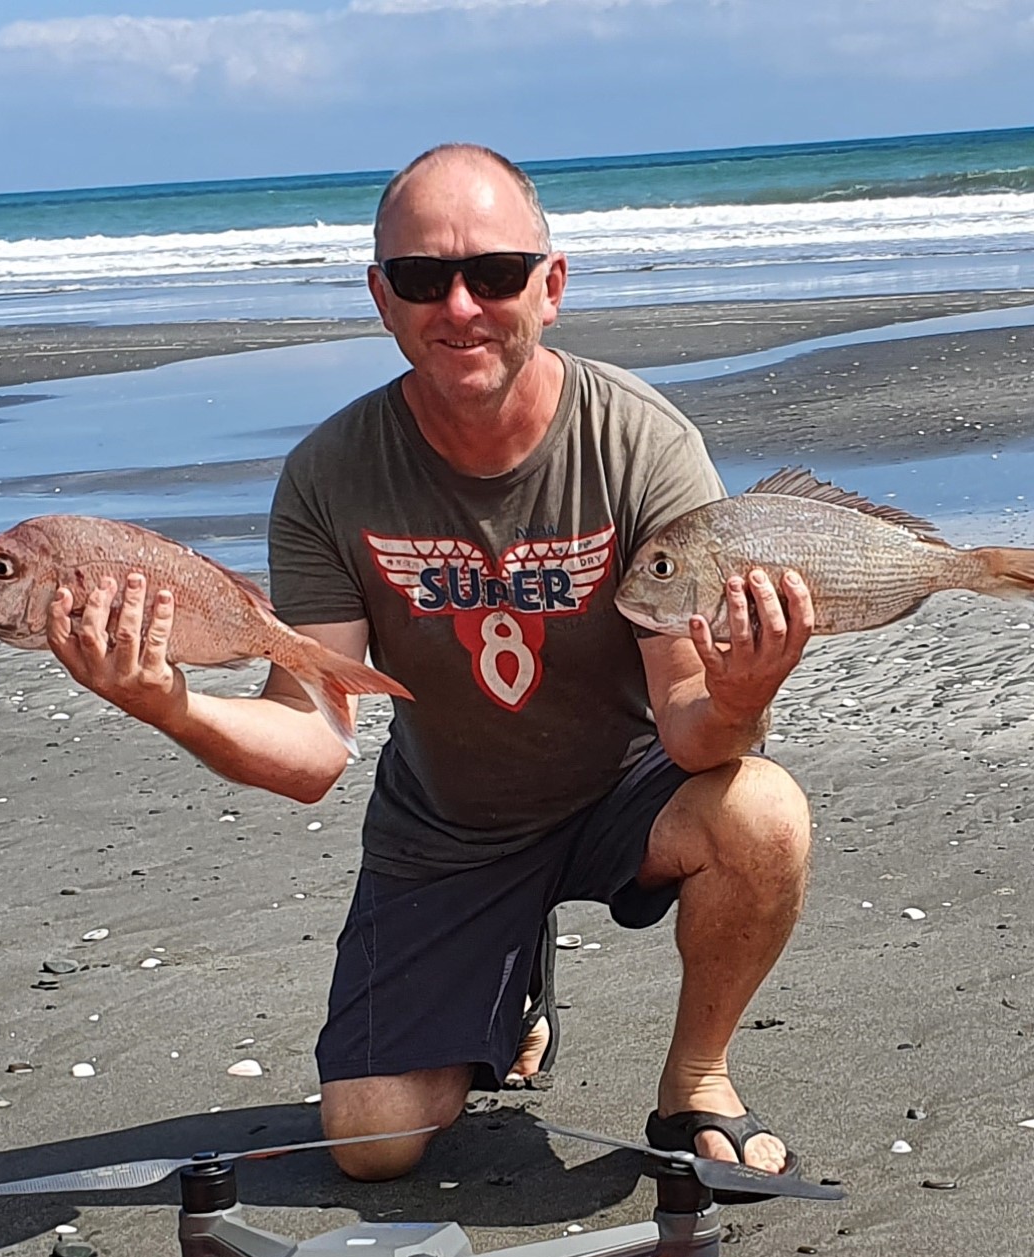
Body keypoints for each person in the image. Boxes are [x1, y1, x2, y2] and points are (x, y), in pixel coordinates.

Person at [46, 142, 814, 1182]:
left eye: (493, 273)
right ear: (381, 298)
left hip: (626, 792)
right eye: (422, 278)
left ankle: (697, 1079)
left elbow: (689, 721)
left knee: (762, 811)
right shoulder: (330, 474)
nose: (460, 305)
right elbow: (315, 745)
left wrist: (742, 692)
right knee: (372, 1140)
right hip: (448, 827)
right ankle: (505, 981)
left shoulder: (640, 446)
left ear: (552, 285)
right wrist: (169, 703)